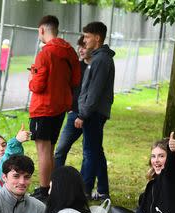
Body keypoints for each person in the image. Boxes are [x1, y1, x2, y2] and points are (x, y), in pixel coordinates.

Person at [28, 15, 81, 201]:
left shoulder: (45, 54)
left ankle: (44, 190)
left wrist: (31, 79)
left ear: (42, 30)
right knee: (50, 149)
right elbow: (75, 80)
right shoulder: (70, 52)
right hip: (60, 108)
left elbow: (38, 86)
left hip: (43, 108)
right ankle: (50, 188)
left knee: (43, 151)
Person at [75, 21, 115, 200]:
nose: (85, 40)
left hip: (93, 113)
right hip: (94, 112)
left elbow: (94, 91)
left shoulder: (100, 59)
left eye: (87, 36)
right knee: (95, 150)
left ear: (97, 38)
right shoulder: (99, 57)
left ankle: (84, 190)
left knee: (90, 152)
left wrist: (83, 114)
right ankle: (103, 189)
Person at [54, 36, 91, 169]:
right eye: (79, 47)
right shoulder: (77, 66)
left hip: (90, 115)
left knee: (90, 153)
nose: (81, 50)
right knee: (60, 149)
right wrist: (68, 107)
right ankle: (56, 181)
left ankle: (87, 186)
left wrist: (83, 115)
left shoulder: (96, 67)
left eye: (84, 46)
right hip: (74, 113)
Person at [0, 125, 31, 193]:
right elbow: (7, 159)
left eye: (4, 145)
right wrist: (16, 141)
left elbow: (16, 159)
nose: (1, 148)